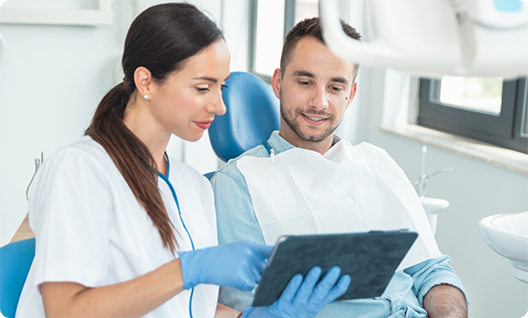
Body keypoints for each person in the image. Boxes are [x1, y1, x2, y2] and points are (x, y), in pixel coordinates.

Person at [15, 5, 351, 318]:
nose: (219, 106)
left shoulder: (194, 187)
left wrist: (262, 315)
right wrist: (188, 269)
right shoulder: (80, 169)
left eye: (220, 87)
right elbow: (65, 310)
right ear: (145, 81)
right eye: (203, 88)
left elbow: (193, 309)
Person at [210, 17, 469, 318]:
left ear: (351, 95)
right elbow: (246, 306)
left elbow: (432, 269)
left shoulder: (377, 162)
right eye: (305, 82)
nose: (319, 102)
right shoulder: (238, 184)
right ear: (278, 83)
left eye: (335, 87)